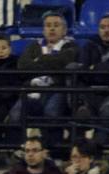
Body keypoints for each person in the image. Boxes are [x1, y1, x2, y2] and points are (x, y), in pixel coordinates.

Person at [12, 12, 80, 146]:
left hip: (57, 89)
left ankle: (54, 151)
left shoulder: (72, 47)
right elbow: (23, 66)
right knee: (15, 113)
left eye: (56, 25)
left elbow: (64, 62)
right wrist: (51, 62)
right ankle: (14, 149)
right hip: (32, 88)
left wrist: (39, 60)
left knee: (52, 113)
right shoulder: (34, 46)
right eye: (48, 26)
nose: (52, 29)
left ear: (64, 30)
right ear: (43, 30)